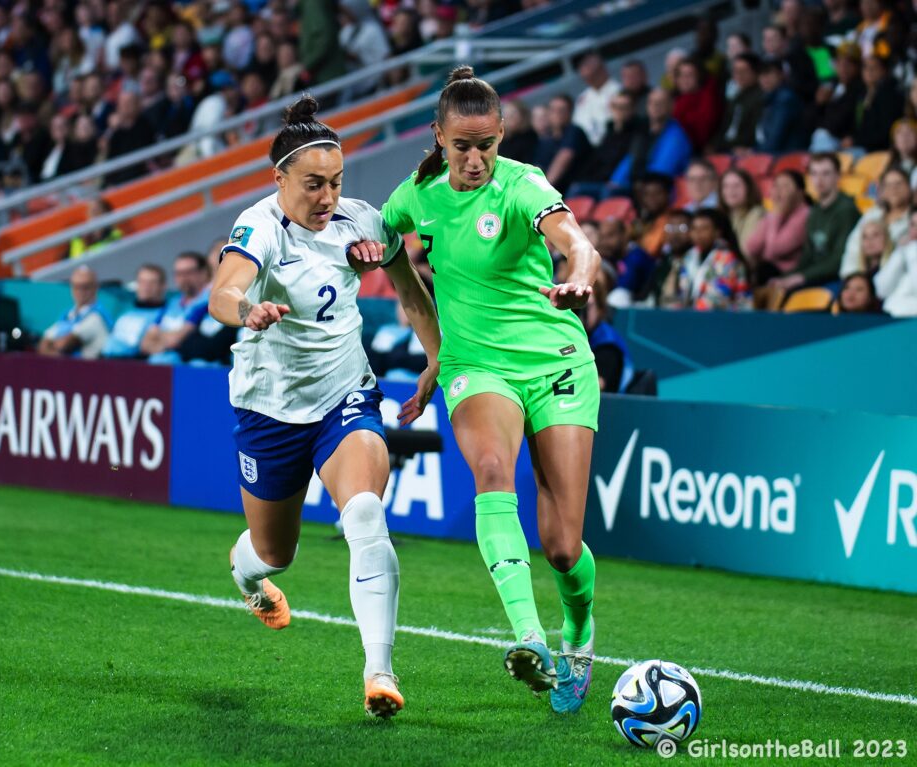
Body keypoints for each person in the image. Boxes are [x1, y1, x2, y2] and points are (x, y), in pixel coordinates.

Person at [373, 66, 602, 716]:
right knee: (493, 471)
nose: (475, 160)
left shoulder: (523, 184)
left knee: (562, 544)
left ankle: (577, 630)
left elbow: (575, 242)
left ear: (501, 138)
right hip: (476, 366)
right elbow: (390, 251)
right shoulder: (416, 196)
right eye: (462, 146)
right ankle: (530, 638)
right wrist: (436, 352)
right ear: (439, 137)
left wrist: (578, 275)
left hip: (553, 358)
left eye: (488, 146)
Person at [208, 96, 441, 718]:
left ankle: (380, 672)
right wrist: (247, 310)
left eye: (336, 182)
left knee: (365, 512)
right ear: (278, 179)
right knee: (275, 551)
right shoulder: (258, 226)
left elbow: (412, 293)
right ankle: (246, 573)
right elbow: (223, 291)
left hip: (345, 395)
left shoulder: (360, 222)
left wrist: (437, 357)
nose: (327, 197)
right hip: (270, 410)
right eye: (313, 184)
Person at [771, 153, 859, 291]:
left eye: (826, 174)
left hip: (836, 279)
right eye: (814, 174)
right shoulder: (815, 210)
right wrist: (786, 277)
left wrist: (801, 277)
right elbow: (808, 255)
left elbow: (838, 260)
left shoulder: (846, 210)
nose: (819, 180)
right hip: (815, 276)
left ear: (838, 176)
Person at [839, 166, 913, 277]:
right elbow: (853, 246)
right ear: (882, 190)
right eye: (888, 185)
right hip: (862, 277)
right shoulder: (872, 214)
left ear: (909, 187)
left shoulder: (913, 219)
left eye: (898, 184)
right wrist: (851, 277)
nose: (894, 189)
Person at [674, 208, 752, 310]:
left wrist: (689, 313)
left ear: (717, 232)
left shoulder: (727, 259)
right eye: (694, 228)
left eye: (704, 228)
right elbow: (683, 292)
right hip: (696, 316)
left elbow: (719, 298)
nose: (698, 233)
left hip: (729, 318)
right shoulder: (689, 256)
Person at [140, 251, 211, 360]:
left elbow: (176, 340)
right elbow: (145, 342)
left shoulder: (207, 302)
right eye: (179, 273)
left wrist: (159, 337)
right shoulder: (171, 303)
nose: (183, 278)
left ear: (203, 273)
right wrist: (165, 340)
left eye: (188, 272)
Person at [744, 169, 810, 285]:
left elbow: (774, 250)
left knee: (761, 270)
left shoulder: (805, 214)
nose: (778, 191)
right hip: (768, 270)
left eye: (785, 186)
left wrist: (776, 214)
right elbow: (751, 247)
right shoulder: (773, 214)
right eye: (776, 186)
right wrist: (773, 215)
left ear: (800, 193)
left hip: (788, 273)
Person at [37, 265, 112, 358]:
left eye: (85, 287)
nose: (80, 291)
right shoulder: (68, 315)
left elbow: (65, 345)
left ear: (95, 287)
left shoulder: (97, 317)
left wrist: (52, 347)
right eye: (76, 286)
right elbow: (43, 343)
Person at [101, 264, 167, 359]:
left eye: (152, 283)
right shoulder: (125, 313)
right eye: (142, 282)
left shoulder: (166, 315)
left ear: (163, 286)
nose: (146, 287)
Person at [581, 279, 634, 393]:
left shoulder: (607, 344)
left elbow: (597, 386)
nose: (580, 311)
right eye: (575, 305)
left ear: (600, 309)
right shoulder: (569, 335)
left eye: (586, 306)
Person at [873, 210, 917, 316]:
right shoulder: (903, 251)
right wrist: (899, 253)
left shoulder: (911, 253)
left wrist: (913, 251)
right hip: (890, 319)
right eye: (913, 225)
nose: (915, 230)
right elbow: (881, 290)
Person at [719, 168, 765, 251]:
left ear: (749, 189)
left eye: (736, 185)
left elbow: (746, 251)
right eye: (726, 186)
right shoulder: (723, 216)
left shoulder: (757, 214)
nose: (731, 190)